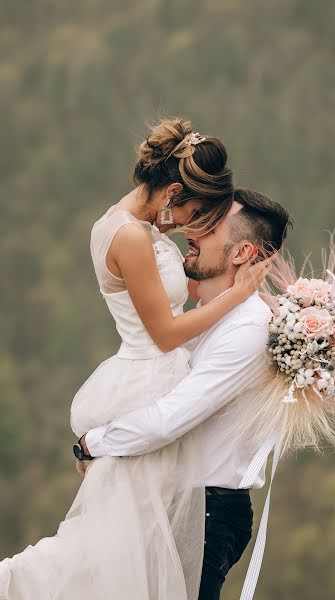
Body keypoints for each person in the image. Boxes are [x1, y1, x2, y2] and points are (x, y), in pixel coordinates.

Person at [0, 120, 271, 600]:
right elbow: (165, 334)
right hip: (150, 372)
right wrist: (237, 297)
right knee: (114, 542)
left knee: (137, 543)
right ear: (171, 191)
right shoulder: (126, 236)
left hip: (162, 370)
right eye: (193, 210)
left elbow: (185, 302)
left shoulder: (144, 231)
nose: (192, 224)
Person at [78, 188, 293, 600]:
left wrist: (95, 443)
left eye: (211, 226)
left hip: (208, 512)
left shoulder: (248, 329)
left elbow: (170, 417)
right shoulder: (208, 318)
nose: (193, 230)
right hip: (178, 503)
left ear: (241, 253)